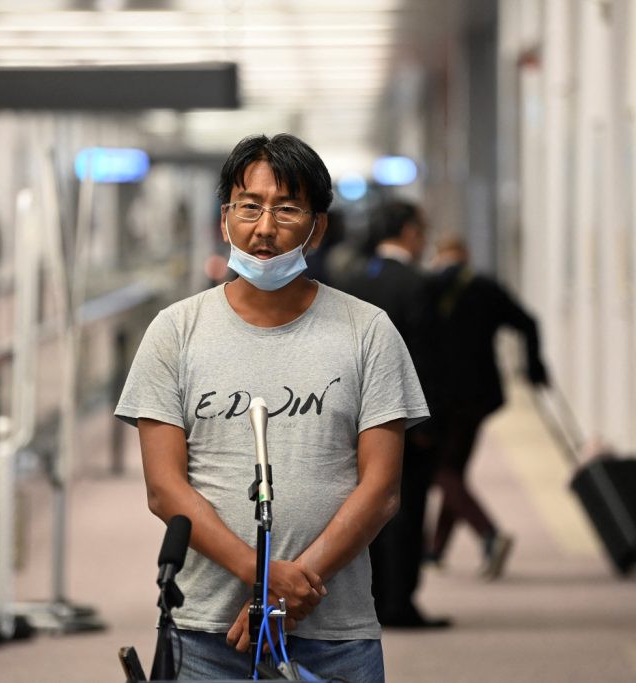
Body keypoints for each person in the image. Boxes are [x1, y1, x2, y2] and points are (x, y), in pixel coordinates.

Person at [114, 133, 429, 682]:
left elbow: (381, 490)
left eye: (287, 209)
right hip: (206, 634)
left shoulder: (367, 332)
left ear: (318, 225)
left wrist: (294, 585)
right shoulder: (175, 333)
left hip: (337, 635)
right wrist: (265, 583)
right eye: (249, 206)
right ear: (225, 219)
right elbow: (165, 489)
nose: (264, 228)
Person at [339, 199, 449, 628]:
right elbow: (425, 358)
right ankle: (400, 603)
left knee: (365, 507)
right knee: (406, 509)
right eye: (422, 230)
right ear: (407, 232)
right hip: (404, 421)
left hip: (357, 416)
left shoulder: (354, 281)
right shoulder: (417, 284)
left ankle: (374, 597)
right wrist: (427, 424)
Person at [423, 236, 548, 579]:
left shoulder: (428, 287)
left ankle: (489, 534)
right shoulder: (486, 287)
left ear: (438, 255)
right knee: (455, 468)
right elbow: (528, 322)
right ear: (465, 256)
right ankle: (435, 549)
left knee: (442, 471)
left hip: (440, 396)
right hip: (480, 396)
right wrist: (533, 367)